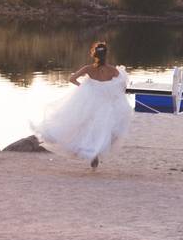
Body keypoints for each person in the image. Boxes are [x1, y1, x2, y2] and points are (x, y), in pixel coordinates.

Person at [31, 41, 132, 169]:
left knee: (85, 125)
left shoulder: (88, 69)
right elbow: (122, 85)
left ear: (94, 54)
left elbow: (72, 79)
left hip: (89, 101)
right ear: (106, 55)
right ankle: (96, 151)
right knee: (103, 127)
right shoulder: (113, 70)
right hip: (105, 103)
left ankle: (91, 152)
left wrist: (84, 87)